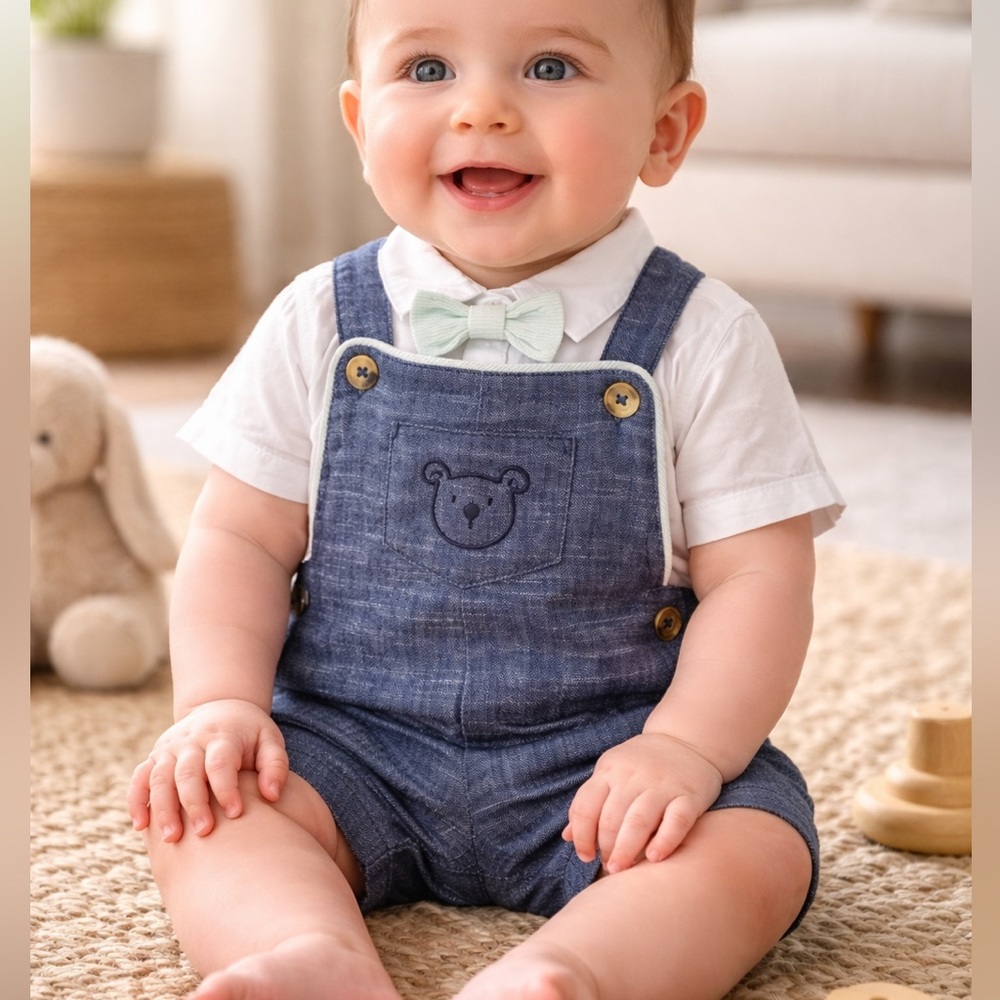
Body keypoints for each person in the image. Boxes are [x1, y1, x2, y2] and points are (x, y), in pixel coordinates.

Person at [127, 0, 845, 997]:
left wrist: (683, 748)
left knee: (755, 847)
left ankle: (570, 973)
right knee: (207, 807)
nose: (483, 110)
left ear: (664, 131)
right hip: (349, 745)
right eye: (427, 70)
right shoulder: (318, 320)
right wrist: (219, 705)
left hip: (609, 755)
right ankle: (306, 954)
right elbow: (240, 539)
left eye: (550, 67)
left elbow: (760, 579)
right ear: (358, 122)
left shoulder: (704, 338)